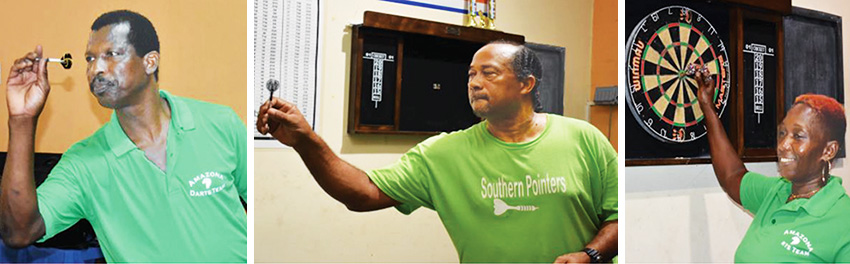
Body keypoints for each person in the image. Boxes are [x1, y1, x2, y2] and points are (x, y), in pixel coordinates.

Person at [257, 41, 618, 263]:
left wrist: (592, 255)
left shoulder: (583, 138)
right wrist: (307, 141)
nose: (474, 83)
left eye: (488, 73)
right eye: (470, 75)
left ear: (526, 84)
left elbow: (621, 218)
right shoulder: (444, 153)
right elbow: (363, 193)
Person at [0, 10, 247, 262]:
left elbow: (261, 202)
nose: (96, 69)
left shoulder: (220, 123)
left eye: (111, 54)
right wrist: (21, 121)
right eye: (90, 58)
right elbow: (19, 232)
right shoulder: (84, 162)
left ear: (150, 62)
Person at [694, 67, 850, 261]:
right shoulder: (778, 192)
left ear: (828, 151)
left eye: (798, 136)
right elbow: (732, 175)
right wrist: (707, 107)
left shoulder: (844, 221)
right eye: (782, 133)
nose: (783, 145)